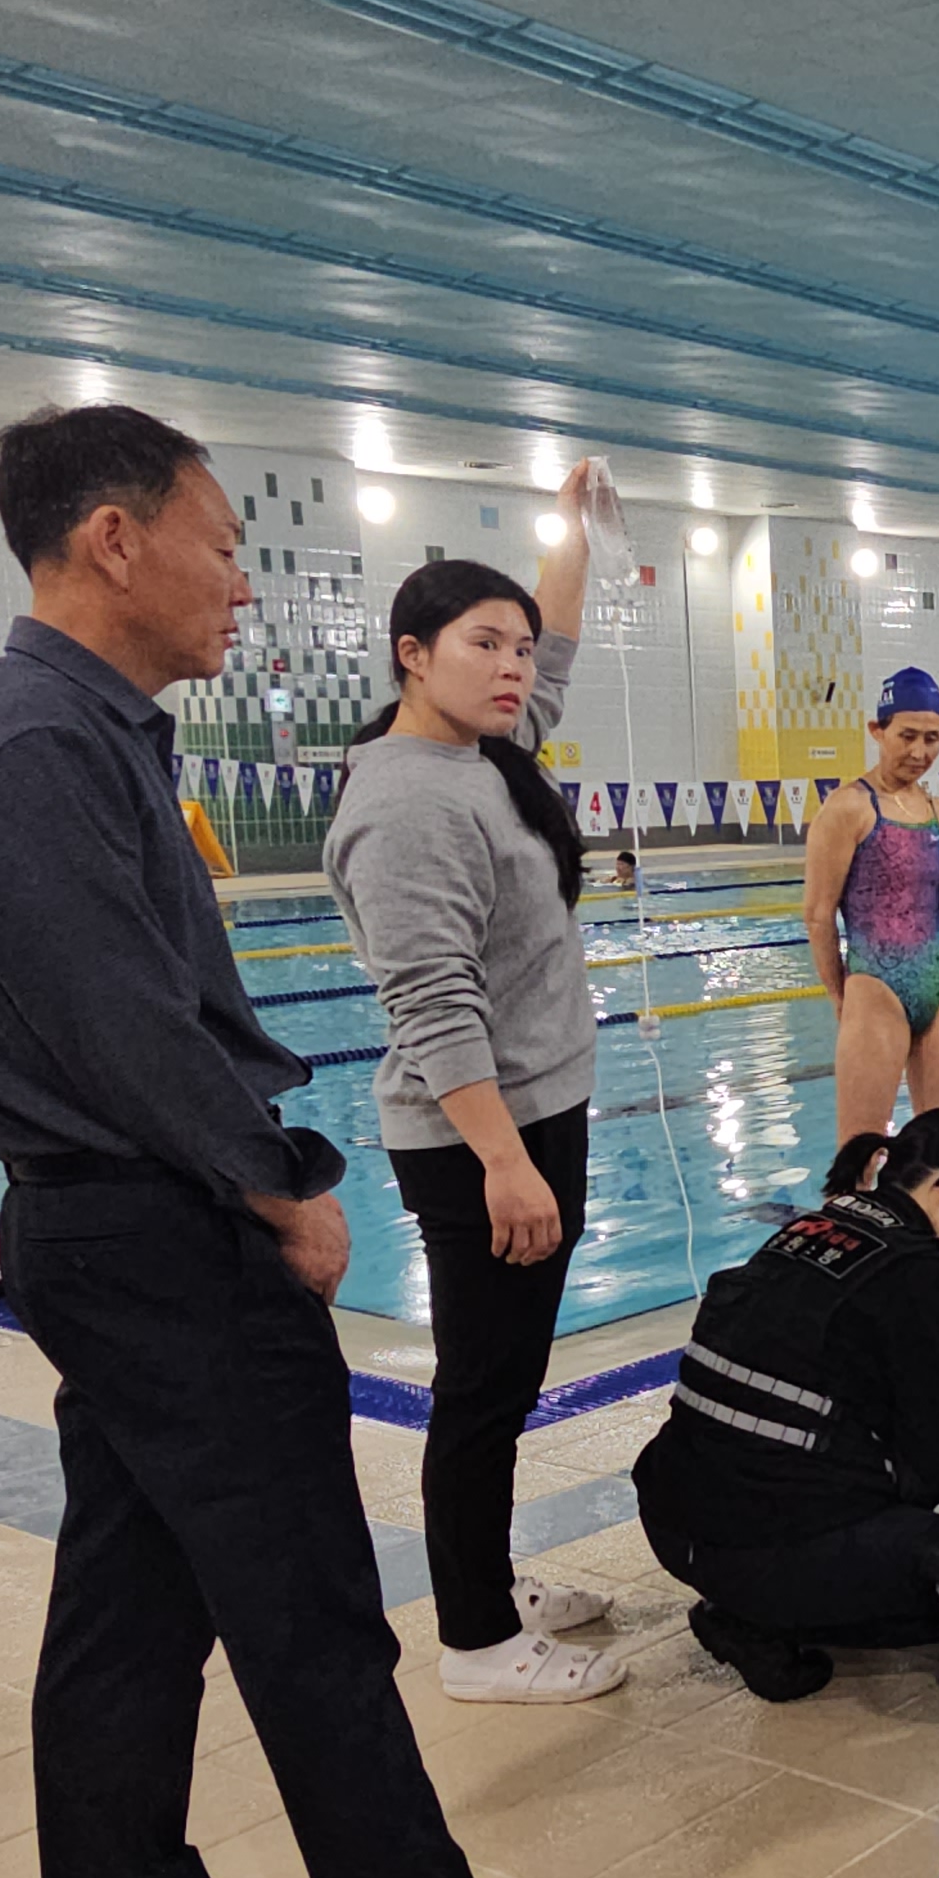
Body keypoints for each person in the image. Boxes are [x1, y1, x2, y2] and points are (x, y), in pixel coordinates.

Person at [0, 404, 645, 1878]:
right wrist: (275, 1187)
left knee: (130, 1600)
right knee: (311, 1614)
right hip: (162, 1233)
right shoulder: (35, 741)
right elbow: (117, 1023)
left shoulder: (63, 727)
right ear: (116, 541)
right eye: (224, 543)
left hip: (114, 1232)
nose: (242, 582)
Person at [323, 472, 620, 1704]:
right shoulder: (406, 802)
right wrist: (504, 1160)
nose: (513, 667)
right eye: (482, 644)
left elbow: (556, 641)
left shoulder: (484, 750)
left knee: (506, 1376)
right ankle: (477, 1639)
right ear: (412, 654)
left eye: (517, 646)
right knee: (483, 1389)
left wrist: (573, 533)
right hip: (480, 1139)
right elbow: (431, 1002)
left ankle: (489, 1580)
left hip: (534, 1109)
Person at [630, 1110, 939, 1702]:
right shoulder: (920, 1275)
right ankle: (758, 1620)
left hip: (671, 1524)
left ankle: (747, 1600)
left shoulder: (811, 1228)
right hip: (762, 1557)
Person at [806, 667, 939, 1133]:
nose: (919, 752)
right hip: (875, 987)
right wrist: (839, 995)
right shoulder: (848, 808)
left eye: (932, 739)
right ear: (877, 730)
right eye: (907, 736)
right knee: (861, 1150)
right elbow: (818, 915)